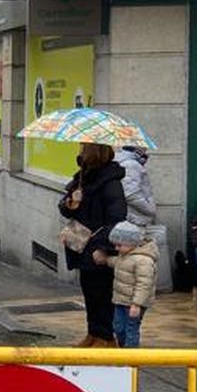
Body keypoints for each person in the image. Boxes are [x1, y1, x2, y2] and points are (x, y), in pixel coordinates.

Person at [59, 142, 128, 347]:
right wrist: (72, 202)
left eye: (83, 148)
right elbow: (64, 207)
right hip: (81, 246)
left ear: (93, 152)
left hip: (97, 246)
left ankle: (105, 337)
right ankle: (93, 332)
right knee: (89, 291)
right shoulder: (81, 177)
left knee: (102, 293)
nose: (79, 151)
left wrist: (103, 249)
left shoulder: (110, 182)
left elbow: (117, 217)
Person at [96, 220, 157, 348]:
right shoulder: (125, 255)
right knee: (118, 328)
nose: (116, 248)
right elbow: (119, 264)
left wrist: (137, 304)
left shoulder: (143, 260)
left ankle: (130, 357)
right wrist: (106, 260)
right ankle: (124, 351)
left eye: (119, 245)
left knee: (131, 329)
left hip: (133, 303)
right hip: (120, 299)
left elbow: (144, 284)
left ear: (132, 243)